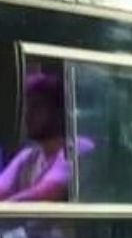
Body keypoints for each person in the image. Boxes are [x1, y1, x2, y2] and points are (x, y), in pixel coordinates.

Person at [0, 71, 93, 202]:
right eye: (27, 107)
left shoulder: (79, 148)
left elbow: (45, 194)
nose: (28, 115)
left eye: (36, 107)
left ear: (58, 112)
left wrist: (7, 205)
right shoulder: (28, 156)